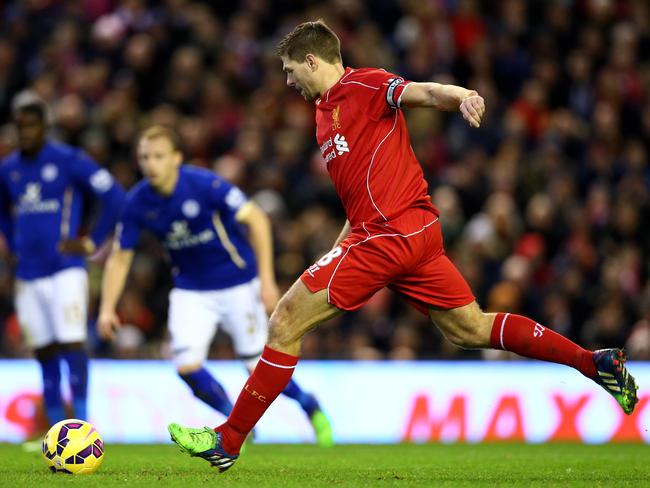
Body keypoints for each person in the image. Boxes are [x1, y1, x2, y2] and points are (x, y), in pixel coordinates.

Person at [167, 20, 638, 472]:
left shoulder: (367, 84)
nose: (288, 81)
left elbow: (426, 92)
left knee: (285, 321)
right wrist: (333, 251)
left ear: (312, 60)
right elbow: (357, 200)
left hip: (391, 233)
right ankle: (594, 362)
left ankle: (228, 441)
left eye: (290, 70)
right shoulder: (321, 116)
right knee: (469, 329)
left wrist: (463, 96)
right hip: (400, 234)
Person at [98, 125, 333, 446]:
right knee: (185, 366)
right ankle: (235, 421)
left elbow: (257, 219)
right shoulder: (137, 202)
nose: (150, 163)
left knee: (256, 366)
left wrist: (266, 281)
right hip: (190, 290)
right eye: (144, 157)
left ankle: (309, 404)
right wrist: (107, 307)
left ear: (176, 159)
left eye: (158, 156)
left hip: (237, 283)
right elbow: (120, 257)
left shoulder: (204, 184)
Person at [0, 91, 125, 435]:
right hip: (27, 273)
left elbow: (114, 196)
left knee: (72, 344)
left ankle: (82, 425)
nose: (25, 133)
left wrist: (91, 241)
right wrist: (10, 243)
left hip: (65, 269)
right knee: (44, 352)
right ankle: (55, 429)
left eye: (32, 126)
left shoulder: (69, 160)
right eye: (20, 126)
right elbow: (3, 212)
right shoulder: (8, 169)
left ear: (45, 127)